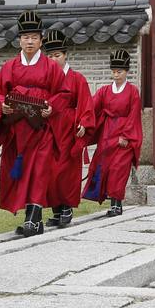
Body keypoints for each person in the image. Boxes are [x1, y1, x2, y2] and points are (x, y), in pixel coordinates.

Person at [0, 10, 65, 237]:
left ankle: (33, 217)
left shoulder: (51, 67)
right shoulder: (10, 67)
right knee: (21, 174)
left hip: (40, 128)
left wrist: (52, 108)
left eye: (34, 37)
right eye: (25, 37)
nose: (29, 42)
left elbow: (63, 93)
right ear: (19, 40)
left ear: (41, 40)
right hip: (16, 130)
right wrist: (2, 105)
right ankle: (32, 218)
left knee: (39, 172)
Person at [44, 28, 96, 228]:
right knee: (49, 169)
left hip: (68, 128)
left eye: (57, 55)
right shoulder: (45, 78)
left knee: (66, 169)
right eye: (50, 55)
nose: (53, 59)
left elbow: (86, 103)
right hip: (49, 126)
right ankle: (56, 209)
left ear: (65, 55)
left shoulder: (77, 78)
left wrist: (83, 121)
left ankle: (67, 207)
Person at [83, 49, 143, 216]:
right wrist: (82, 116)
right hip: (107, 134)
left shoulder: (132, 92)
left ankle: (117, 204)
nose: (116, 75)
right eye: (114, 72)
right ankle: (110, 200)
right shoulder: (104, 91)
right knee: (105, 168)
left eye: (120, 72)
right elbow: (92, 107)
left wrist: (126, 136)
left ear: (126, 72)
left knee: (119, 169)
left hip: (123, 136)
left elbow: (134, 115)